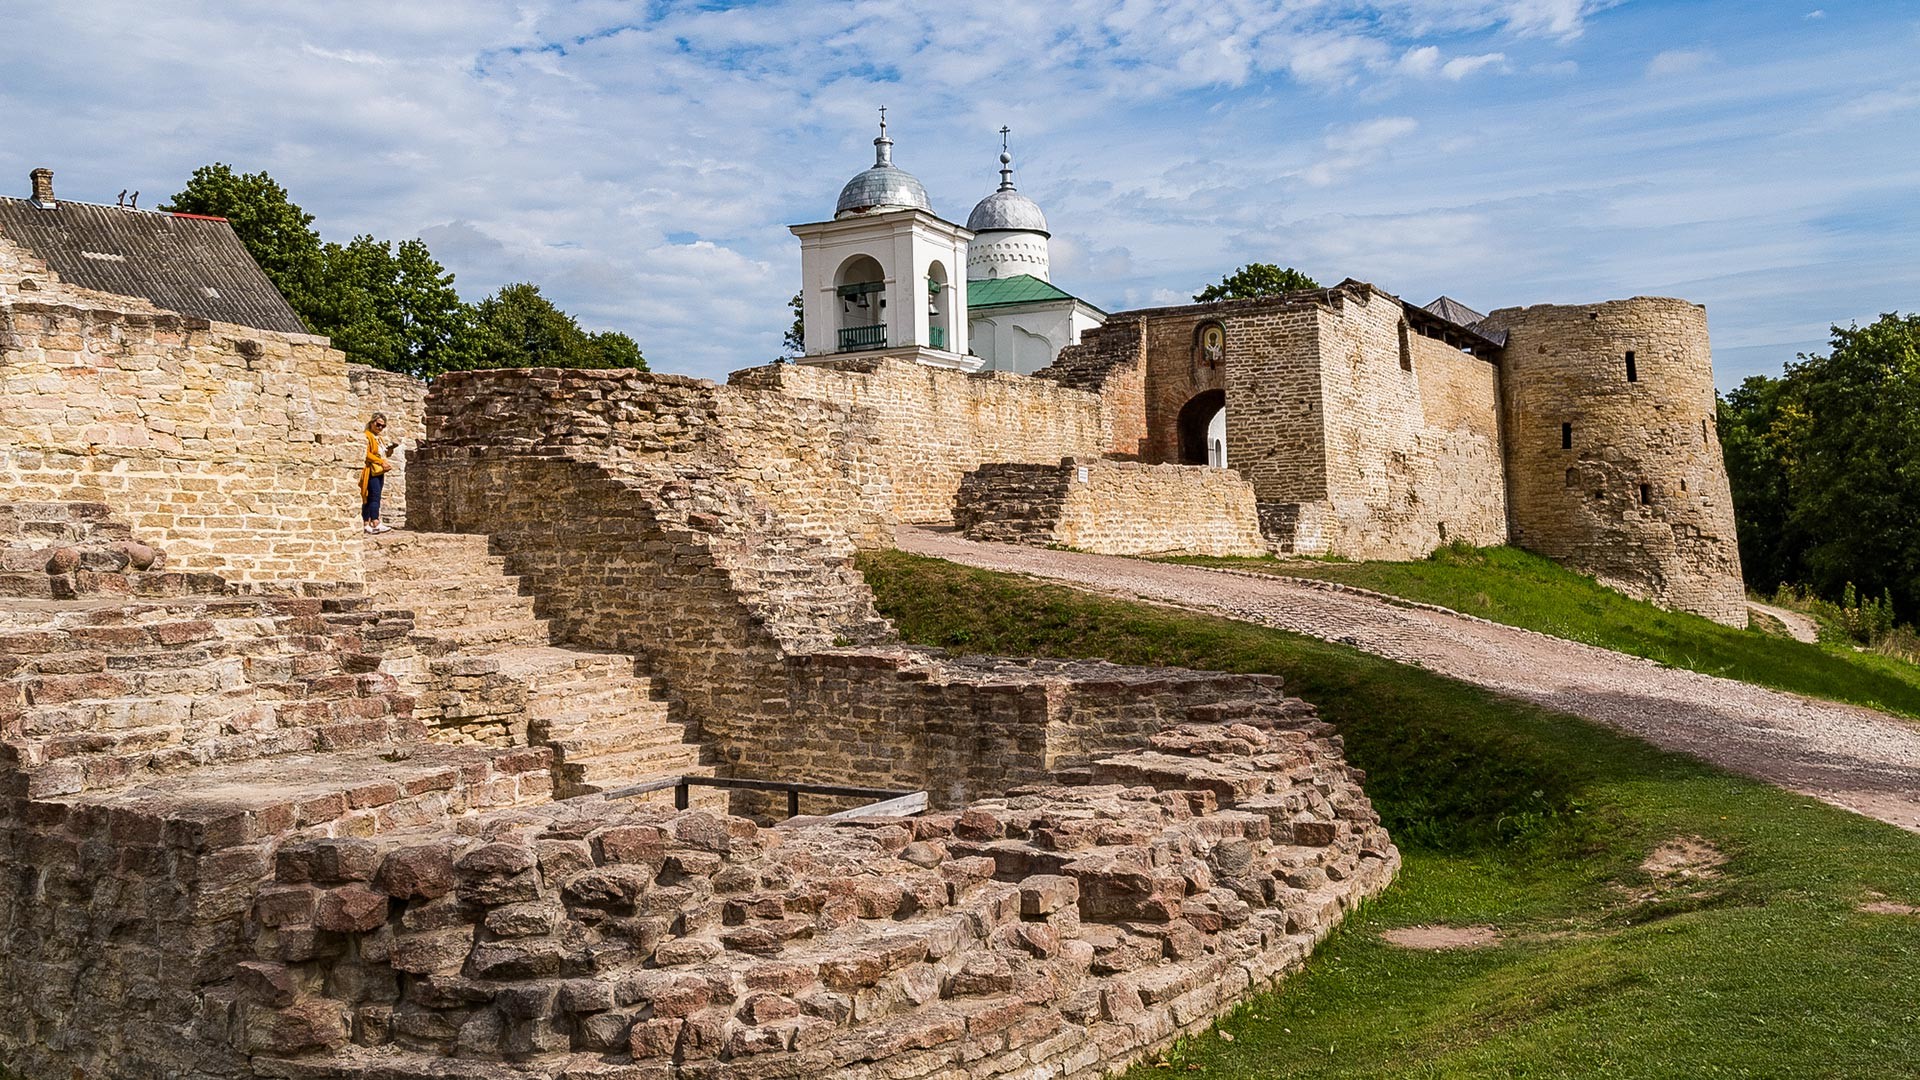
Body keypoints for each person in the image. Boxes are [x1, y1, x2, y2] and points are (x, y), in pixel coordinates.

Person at [361, 414, 398, 535]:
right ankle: (375, 522)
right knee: (373, 496)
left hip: (378, 470)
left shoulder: (379, 438)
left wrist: (389, 452)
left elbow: (381, 454)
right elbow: (367, 454)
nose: (380, 427)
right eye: (378, 424)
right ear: (372, 423)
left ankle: (367, 522)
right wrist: (381, 461)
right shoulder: (368, 436)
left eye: (383, 426)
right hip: (371, 470)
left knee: (371, 496)